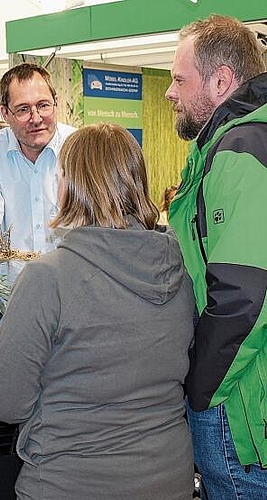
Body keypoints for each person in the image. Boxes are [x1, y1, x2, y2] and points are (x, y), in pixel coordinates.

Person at [0, 123, 195, 499]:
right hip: (168, 476)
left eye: (60, 175)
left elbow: (4, 401)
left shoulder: (48, 278)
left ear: (72, 186)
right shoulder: (182, 266)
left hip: (71, 481)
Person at [165, 14, 267, 497]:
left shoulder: (239, 150)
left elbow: (243, 295)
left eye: (178, 80)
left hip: (239, 403)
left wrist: (200, 387)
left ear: (221, 81)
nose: (169, 92)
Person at [0, 63, 76, 338]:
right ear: (5, 114)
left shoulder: (78, 145)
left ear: (56, 104)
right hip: (3, 308)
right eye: (23, 109)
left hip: (68, 309)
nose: (36, 118)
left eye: (44, 105)